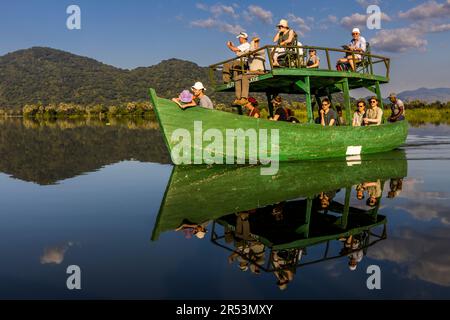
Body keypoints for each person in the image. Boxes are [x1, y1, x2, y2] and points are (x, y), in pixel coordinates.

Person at [233, 37, 266, 106]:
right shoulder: (250, 52)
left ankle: (244, 98)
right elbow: (239, 54)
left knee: (244, 77)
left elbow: (252, 50)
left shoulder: (261, 50)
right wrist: (233, 47)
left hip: (259, 71)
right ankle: (238, 98)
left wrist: (252, 42)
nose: (255, 44)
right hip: (251, 72)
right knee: (237, 78)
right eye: (255, 43)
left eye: (256, 43)